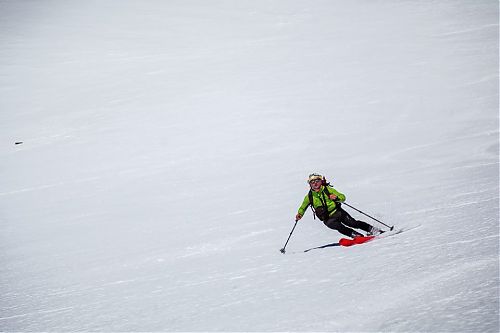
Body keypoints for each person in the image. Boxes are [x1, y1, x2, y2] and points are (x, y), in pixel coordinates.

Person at [295, 173, 383, 238]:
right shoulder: (309, 196)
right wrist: (300, 214)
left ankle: (372, 230)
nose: (315, 183)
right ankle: (356, 235)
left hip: (338, 212)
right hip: (327, 219)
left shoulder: (328, 190)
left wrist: (336, 197)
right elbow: (303, 207)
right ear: (310, 184)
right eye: (312, 182)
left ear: (321, 182)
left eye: (317, 181)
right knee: (339, 227)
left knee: (353, 223)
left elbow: (343, 197)